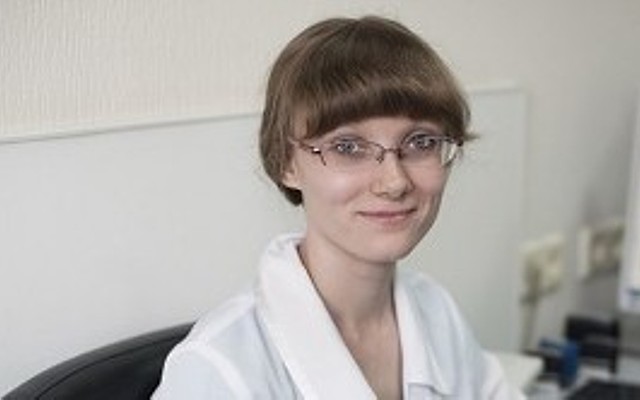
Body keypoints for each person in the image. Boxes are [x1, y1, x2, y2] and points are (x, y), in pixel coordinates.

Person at [153, 16, 523, 399]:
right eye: (348, 147)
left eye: (421, 142)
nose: (395, 182)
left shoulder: (435, 309)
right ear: (286, 163)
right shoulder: (217, 369)